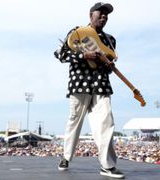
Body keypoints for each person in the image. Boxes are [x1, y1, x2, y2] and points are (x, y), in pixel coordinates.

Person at [54, 2, 125, 179]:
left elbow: (108, 67)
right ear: (90, 15)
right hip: (79, 83)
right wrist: (83, 55)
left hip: (101, 84)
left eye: (106, 15)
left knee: (106, 123)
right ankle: (66, 156)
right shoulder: (77, 32)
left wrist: (109, 65)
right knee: (74, 121)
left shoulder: (110, 40)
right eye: (100, 13)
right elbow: (60, 55)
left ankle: (107, 165)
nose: (104, 17)